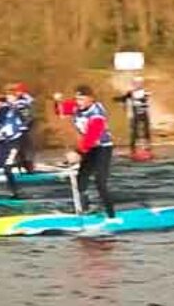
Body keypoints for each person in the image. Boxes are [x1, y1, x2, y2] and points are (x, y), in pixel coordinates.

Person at [65, 83, 117, 218]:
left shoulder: (97, 113)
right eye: (77, 99)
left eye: (82, 100)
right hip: (89, 148)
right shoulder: (77, 107)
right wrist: (56, 101)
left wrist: (77, 152)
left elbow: (92, 137)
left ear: (91, 99)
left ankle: (111, 215)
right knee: (81, 179)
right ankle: (85, 210)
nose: (78, 103)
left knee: (100, 182)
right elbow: (62, 109)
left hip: (102, 148)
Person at [0, 89, 25, 199]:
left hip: (13, 143)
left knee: (7, 168)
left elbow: (21, 117)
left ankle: (15, 194)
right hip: (0, 143)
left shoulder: (8, 110)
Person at [10, 83, 37, 171]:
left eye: (18, 91)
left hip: (26, 128)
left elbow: (29, 115)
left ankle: (28, 165)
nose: (17, 93)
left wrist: (24, 125)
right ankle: (19, 164)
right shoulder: (16, 100)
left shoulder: (26, 100)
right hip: (18, 128)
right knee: (17, 147)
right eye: (16, 91)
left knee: (27, 147)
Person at [125, 79, 153, 155]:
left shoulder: (145, 92)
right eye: (136, 83)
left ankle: (148, 147)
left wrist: (134, 98)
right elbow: (125, 100)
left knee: (146, 130)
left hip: (144, 113)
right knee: (134, 131)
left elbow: (144, 99)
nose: (138, 85)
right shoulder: (130, 92)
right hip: (135, 113)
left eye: (139, 83)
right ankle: (132, 149)